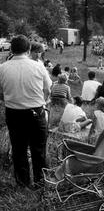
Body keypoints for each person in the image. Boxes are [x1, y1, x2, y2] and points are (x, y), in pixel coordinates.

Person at [0, 35, 52, 188]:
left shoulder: (2, 68)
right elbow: (47, 90)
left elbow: (0, 93)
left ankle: (22, 183)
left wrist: (10, 99)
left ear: (11, 49)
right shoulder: (38, 66)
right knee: (39, 150)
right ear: (29, 50)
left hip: (13, 113)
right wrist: (40, 101)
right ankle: (40, 183)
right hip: (36, 112)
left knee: (18, 149)